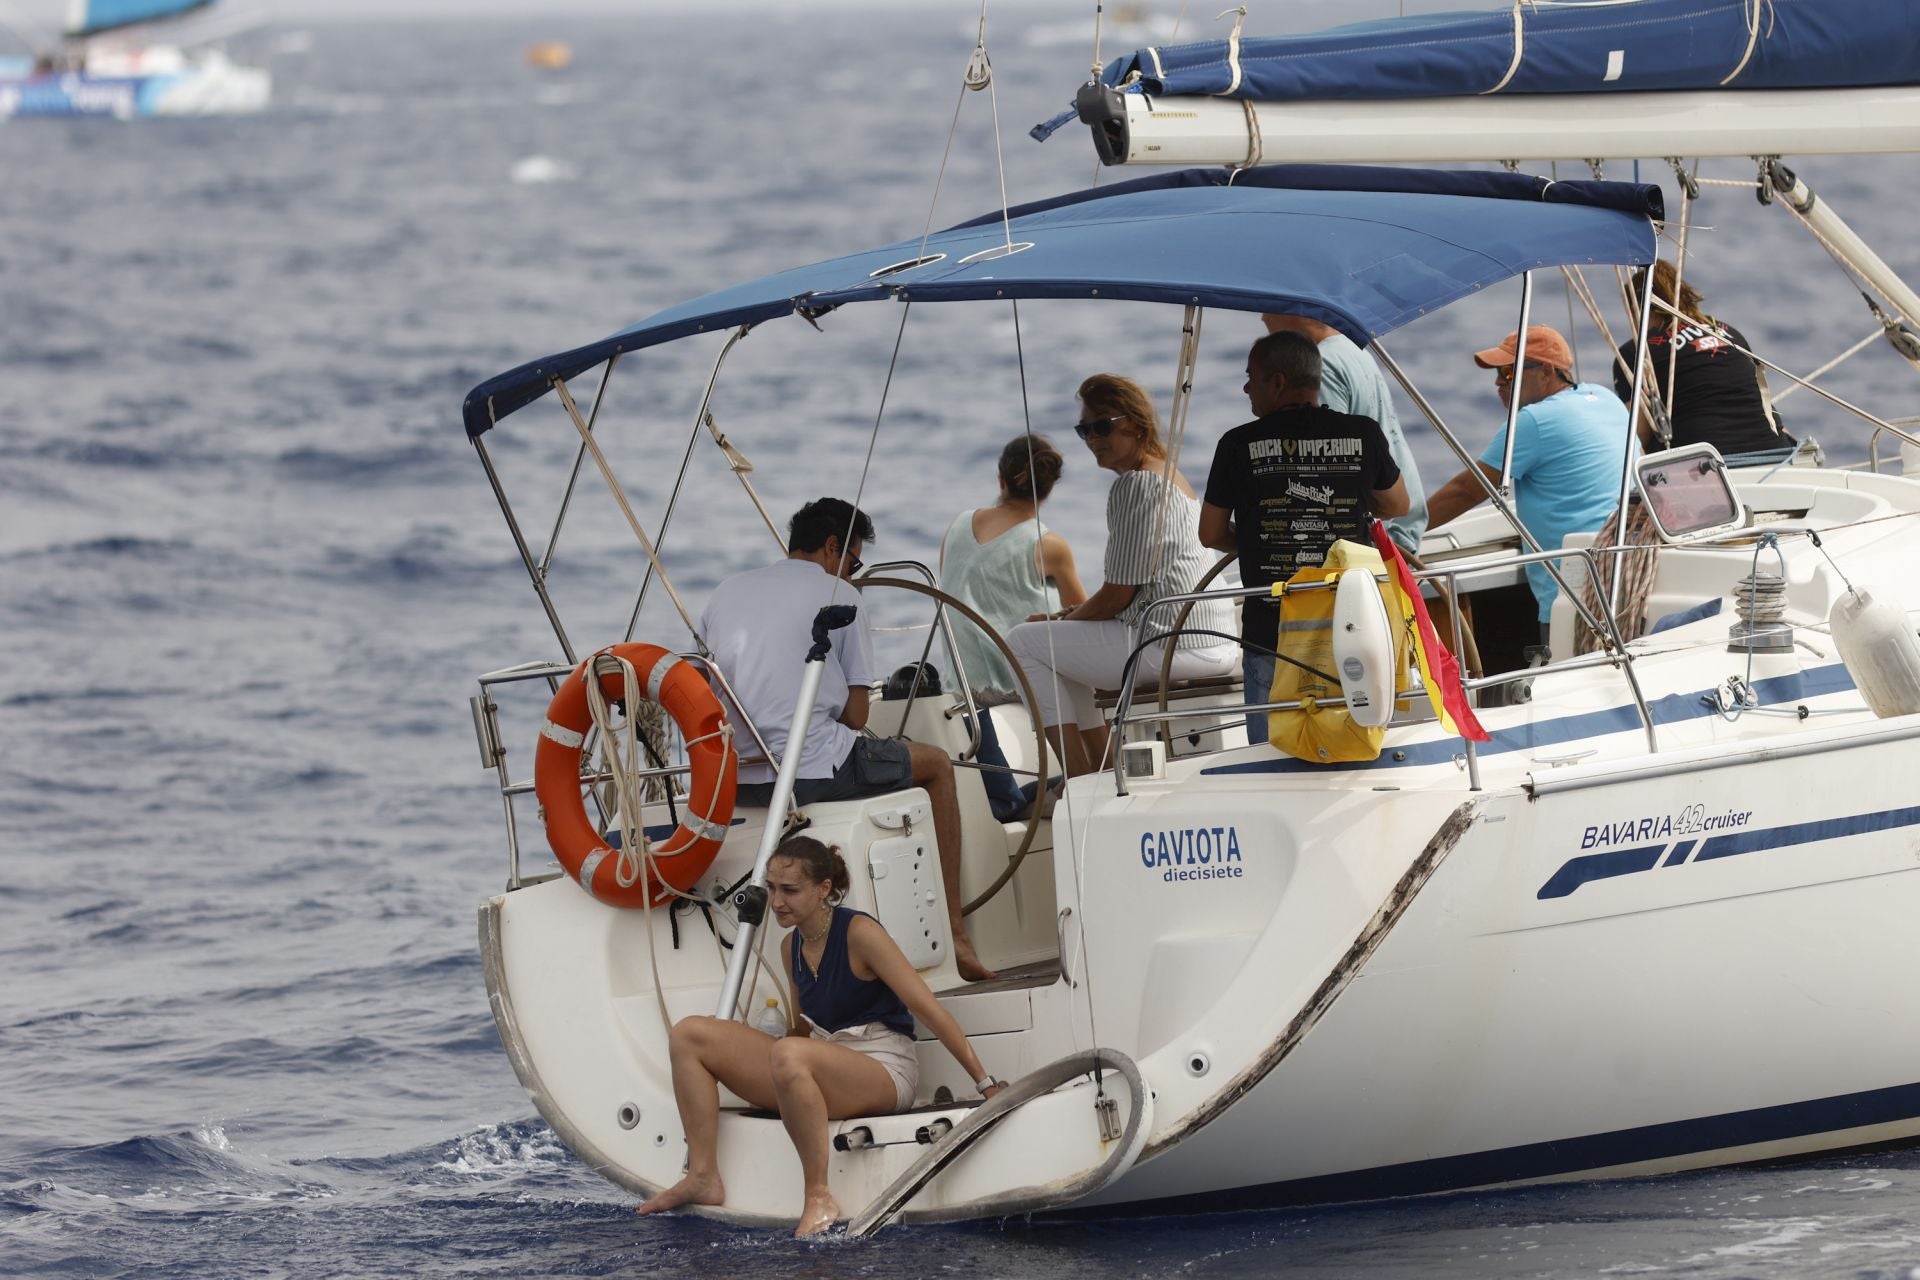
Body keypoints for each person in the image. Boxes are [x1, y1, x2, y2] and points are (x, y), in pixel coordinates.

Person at [636, 835, 1007, 1237]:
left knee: (791, 1055)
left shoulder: (860, 932)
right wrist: (737, 1039)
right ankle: (704, 1175)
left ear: (824, 889)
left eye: (790, 890)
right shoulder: (789, 945)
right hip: (820, 1060)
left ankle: (818, 1194)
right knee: (691, 1034)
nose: (776, 901)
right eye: (772, 888)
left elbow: (928, 1009)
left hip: (884, 1068)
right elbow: (799, 1029)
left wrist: (984, 1083)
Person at [700, 498, 994, 981]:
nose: (855, 576)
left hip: (740, 780)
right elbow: (857, 717)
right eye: (855, 562)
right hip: (814, 771)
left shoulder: (725, 592)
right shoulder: (843, 595)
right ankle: (957, 934)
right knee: (938, 764)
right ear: (834, 547)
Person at [1005, 375, 1239, 777]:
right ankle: (1098, 770)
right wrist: (1067, 622)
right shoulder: (1168, 475)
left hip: (1172, 642)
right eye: (1084, 430)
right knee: (1059, 648)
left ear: (1134, 422)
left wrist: (1061, 619)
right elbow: (1126, 593)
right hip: (1210, 638)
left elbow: (1117, 596)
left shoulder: (1136, 484)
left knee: (1023, 642)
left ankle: (1078, 780)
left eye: (1102, 426)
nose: (1092, 438)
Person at [1199, 331, 1410, 739]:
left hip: (1273, 633)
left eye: (1251, 376)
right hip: (1353, 625)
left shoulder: (1236, 445)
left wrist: (1255, 541)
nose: (1245, 386)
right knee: (1360, 745)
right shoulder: (1363, 434)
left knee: (1273, 761)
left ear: (1277, 382)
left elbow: (1210, 534)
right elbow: (1399, 505)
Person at [1425, 326, 1635, 643]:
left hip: (1573, 596)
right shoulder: (1604, 398)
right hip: (1627, 577)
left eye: (1509, 372)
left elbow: (1468, 490)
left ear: (1547, 372)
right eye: (1498, 372)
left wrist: (1400, 530)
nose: (1498, 381)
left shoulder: (1533, 421)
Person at [939, 435, 1086, 820]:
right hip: (1017, 684)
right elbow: (1083, 615)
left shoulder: (956, 527)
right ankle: (1087, 780)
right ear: (1049, 489)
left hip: (962, 684)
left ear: (1000, 478)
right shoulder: (1047, 544)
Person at [1260, 312, 1428, 554]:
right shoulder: (1354, 349)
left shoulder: (1321, 365)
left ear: (1293, 311)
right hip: (1398, 533)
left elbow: (1329, 472)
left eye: (1270, 308)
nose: (1263, 318)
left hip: (1371, 543)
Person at [1615, 260, 1792, 456]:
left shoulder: (1636, 353)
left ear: (1638, 308)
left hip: (1707, 467)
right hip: (1776, 455)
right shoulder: (1728, 332)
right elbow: (1764, 405)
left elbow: (1637, 436)